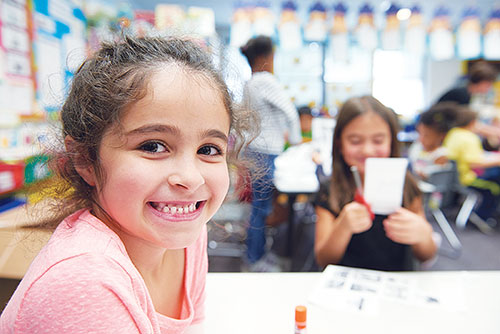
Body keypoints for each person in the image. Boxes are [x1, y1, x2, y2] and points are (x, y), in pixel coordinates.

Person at [0, 36, 255, 333]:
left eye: (208, 150)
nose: (190, 178)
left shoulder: (186, 234)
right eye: (153, 146)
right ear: (85, 159)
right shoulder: (84, 282)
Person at [313, 95, 437, 271]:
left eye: (378, 141)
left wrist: (423, 234)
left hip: (396, 283)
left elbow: (426, 255)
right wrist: (343, 227)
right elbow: (323, 259)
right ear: (339, 144)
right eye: (355, 141)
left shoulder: (406, 185)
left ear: (391, 142)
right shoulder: (329, 189)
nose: (368, 150)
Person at [240, 35, 302, 271]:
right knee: (263, 208)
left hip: (256, 150)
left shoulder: (251, 83)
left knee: (258, 207)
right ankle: (256, 259)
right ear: (267, 57)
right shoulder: (266, 80)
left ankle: (254, 256)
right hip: (267, 153)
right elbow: (290, 111)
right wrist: (296, 142)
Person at [443, 107, 500, 223]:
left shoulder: (453, 133)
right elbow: (474, 163)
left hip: (455, 178)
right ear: (472, 122)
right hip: (467, 178)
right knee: (494, 186)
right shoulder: (469, 137)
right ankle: (482, 216)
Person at [408, 103, 458, 180]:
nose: (421, 139)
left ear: (441, 136)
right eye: (419, 133)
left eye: (426, 136)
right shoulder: (417, 147)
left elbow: (435, 179)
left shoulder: (441, 155)